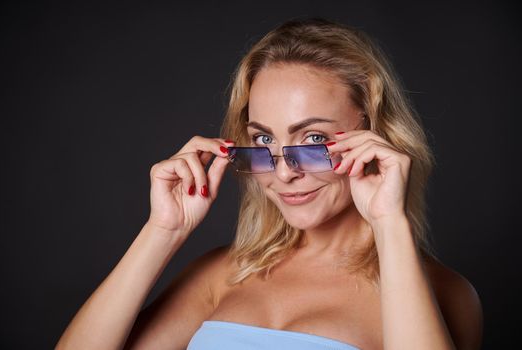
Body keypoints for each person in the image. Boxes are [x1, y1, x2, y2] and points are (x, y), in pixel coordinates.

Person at [56, 18, 483, 349]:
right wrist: (163, 231)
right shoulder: (223, 272)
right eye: (263, 139)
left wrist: (390, 224)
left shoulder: (444, 293)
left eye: (313, 139)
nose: (283, 173)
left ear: (372, 136)